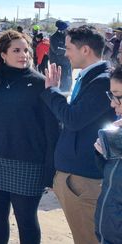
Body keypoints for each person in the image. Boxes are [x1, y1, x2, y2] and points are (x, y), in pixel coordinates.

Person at [0, 30, 60, 244]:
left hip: (30, 164)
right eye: (16, 50)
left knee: (26, 220)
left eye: (26, 50)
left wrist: (50, 170)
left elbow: (53, 130)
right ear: (3, 55)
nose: (24, 55)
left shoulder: (41, 83)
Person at [42, 25, 116, 244]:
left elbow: (73, 119)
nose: (65, 54)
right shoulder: (92, 77)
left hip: (85, 179)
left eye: (68, 48)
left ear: (85, 50)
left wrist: (51, 91)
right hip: (77, 176)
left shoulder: (102, 80)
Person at [93, 65, 122, 244]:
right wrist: (103, 153)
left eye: (117, 96)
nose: (112, 104)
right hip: (108, 231)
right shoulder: (118, 130)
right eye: (111, 95)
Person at [49, 20, 72, 91]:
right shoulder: (54, 37)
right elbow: (57, 50)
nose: (68, 30)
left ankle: (67, 91)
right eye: (66, 28)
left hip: (66, 62)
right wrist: (67, 49)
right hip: (58, 63)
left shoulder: (67, 37)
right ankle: (62, 93)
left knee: (67, 79)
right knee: (60, 81)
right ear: (62, 30)